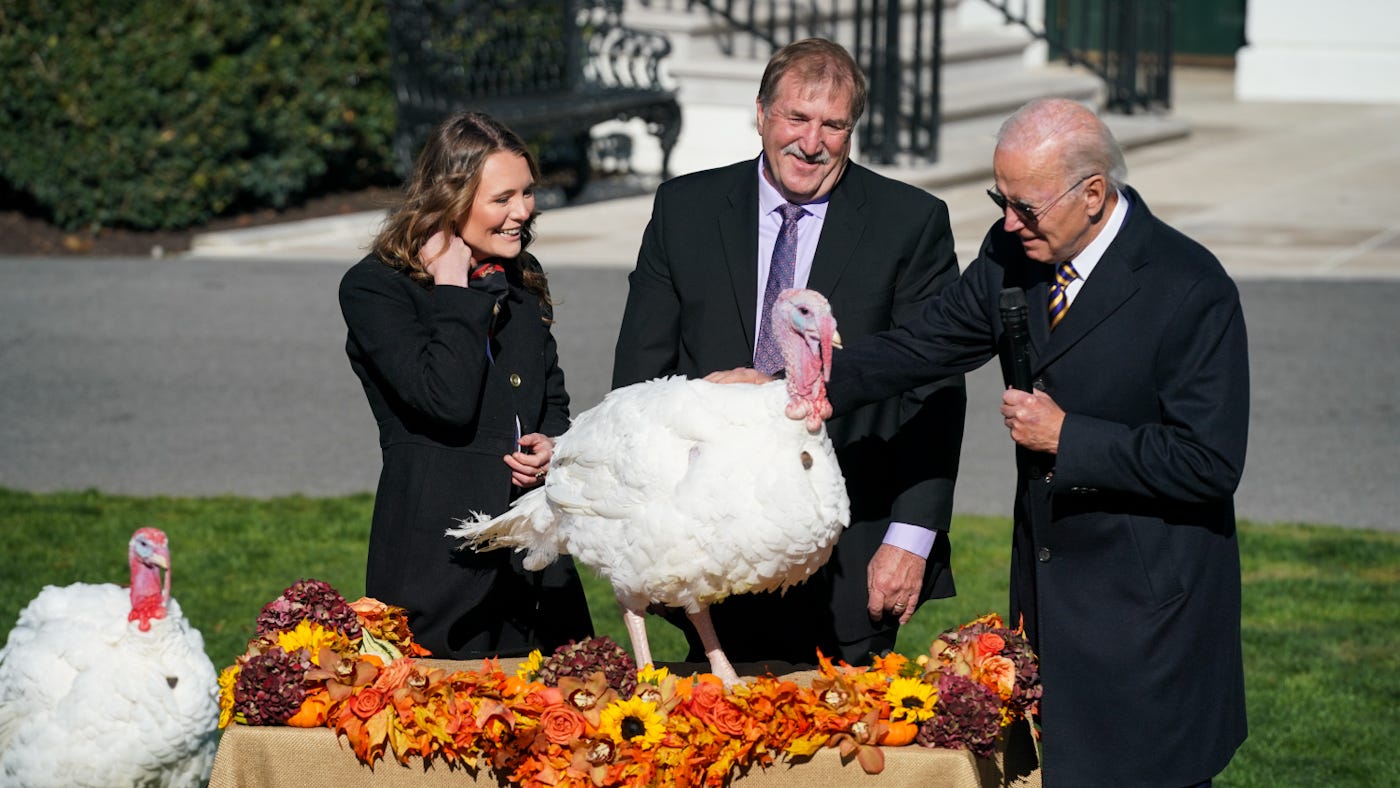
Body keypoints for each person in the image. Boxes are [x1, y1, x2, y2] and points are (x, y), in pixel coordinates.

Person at [720, 97, 1248, 786]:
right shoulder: (1014, 253)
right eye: (1002, 199)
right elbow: (922, 347)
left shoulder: (1189, 287)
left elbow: (1209, 462)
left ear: (1093, 195)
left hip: (1148, 615)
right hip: (1050, 596)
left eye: (1026, 207)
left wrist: (1069, 437)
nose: (1006, 222)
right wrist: (784, 382)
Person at [611, 38, 966, 669]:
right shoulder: (684, 210)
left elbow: (934, 392)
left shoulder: (909, 223)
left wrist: (910, 541)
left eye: (833, 125)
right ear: (761, 114)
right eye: (796, 118)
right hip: (707, 553)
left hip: (851, 554)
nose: (812, 141)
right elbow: (638, 379)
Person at [338, 111, 594, 660]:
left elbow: (552, 399)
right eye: (502, 199)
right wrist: (454, 287)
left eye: (526, 193)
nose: (522, 212)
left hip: (534, 565)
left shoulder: (519, 275)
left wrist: (554, 446)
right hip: (438, 566)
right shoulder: (376, 289)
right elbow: (445, 401)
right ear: (450, 200)